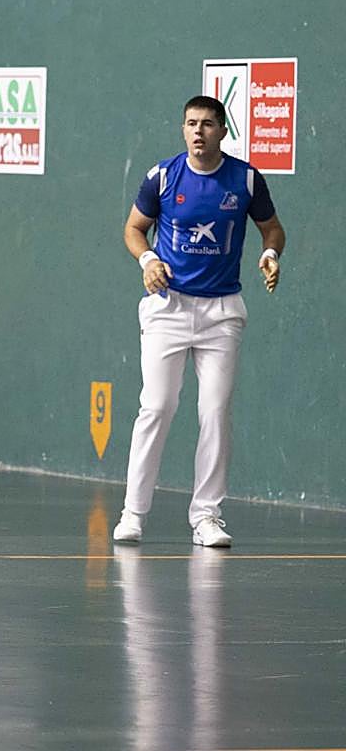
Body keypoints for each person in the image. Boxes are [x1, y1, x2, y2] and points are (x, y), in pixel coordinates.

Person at [114, 95, 286, 547]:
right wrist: (148, 259)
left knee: (214, 412)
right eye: (191, 123)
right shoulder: (164, 176)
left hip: (221, 313)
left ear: (223, 131)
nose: (197, 132)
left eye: (207, 124)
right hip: (167, 307)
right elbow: (134, 228)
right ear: (182, 128)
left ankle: (207, 516)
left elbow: (272, 228)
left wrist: (270, 254)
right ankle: (133, 512)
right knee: (157, 406)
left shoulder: (245, 179)